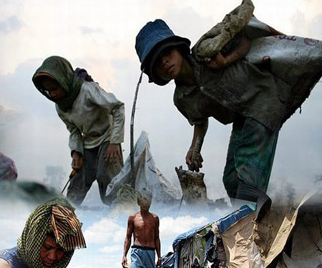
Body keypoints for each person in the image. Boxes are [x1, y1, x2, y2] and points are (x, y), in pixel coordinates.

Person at [134, 18, 320, 209]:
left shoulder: (206, 52)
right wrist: (195, 148)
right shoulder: (182, 99)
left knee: (248, 176)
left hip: (262, 100)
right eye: (156, 62)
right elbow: (200, 119)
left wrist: (226, 60)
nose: (164, 61)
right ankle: (251, 218)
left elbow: (245, 40)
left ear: (178, 48)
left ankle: (254, 217)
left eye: (167, 53)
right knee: (231, 179)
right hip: (241, 116)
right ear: (155, 73)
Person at [32, 56, 125, 206]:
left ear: (64, 80)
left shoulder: (88, 90)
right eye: (49, 91)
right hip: (88, 142)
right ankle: (65, 215)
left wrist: (115, 142)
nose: (53, 94)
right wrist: (76, 152)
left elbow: (117, 107)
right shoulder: (61, 106)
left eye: (55, 89)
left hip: (107, 138)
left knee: (106, 176)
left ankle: (118, 213)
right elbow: (74, 130)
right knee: (77, 180)